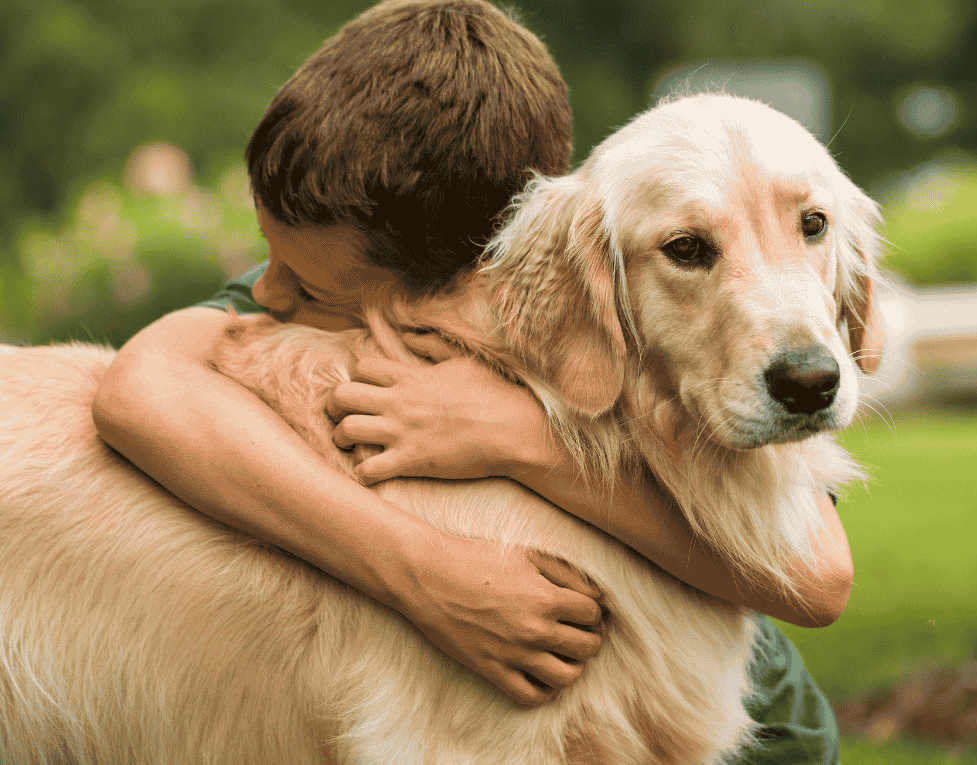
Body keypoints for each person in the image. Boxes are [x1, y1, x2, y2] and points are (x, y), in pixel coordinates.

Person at [92, 0, 848, 760]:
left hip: (764, 732)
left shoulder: (581, 281)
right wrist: (421, 568)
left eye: (309, 284)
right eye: (271, 255)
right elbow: (140, 390)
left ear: (454, 280)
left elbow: (819, 579)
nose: (267, 295)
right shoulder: (354, 254)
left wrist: (519, 440)